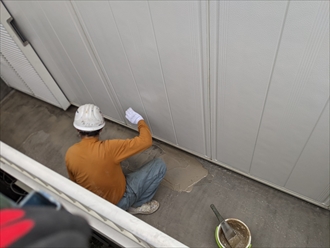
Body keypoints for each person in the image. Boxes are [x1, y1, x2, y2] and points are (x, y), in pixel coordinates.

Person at [65, 104, 166, 215]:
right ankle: (136, 205)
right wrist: (139, 120)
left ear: (77, 129)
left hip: (96, 207)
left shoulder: (70, 153)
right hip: (117, 204)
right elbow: (146, 141)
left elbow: (74, 182)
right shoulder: (109, 149)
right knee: (159, 166)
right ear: (101, 128)